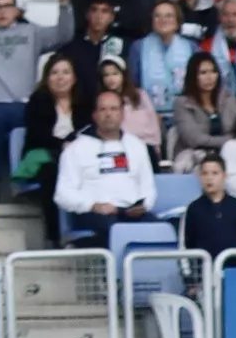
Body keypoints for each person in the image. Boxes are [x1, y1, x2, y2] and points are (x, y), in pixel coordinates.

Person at [52, 86, 160, 245]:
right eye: (103, 110)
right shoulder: (75, 149)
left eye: (114, 109)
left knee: (162, 229)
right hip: (95, 214)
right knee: (116, 232)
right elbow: (62, 194)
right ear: (94, 115)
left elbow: (148, 186)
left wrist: (144, 205)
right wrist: (93, 205)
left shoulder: (137, 145)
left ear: (122, 114)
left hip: (131, 212)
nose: (108, 114)